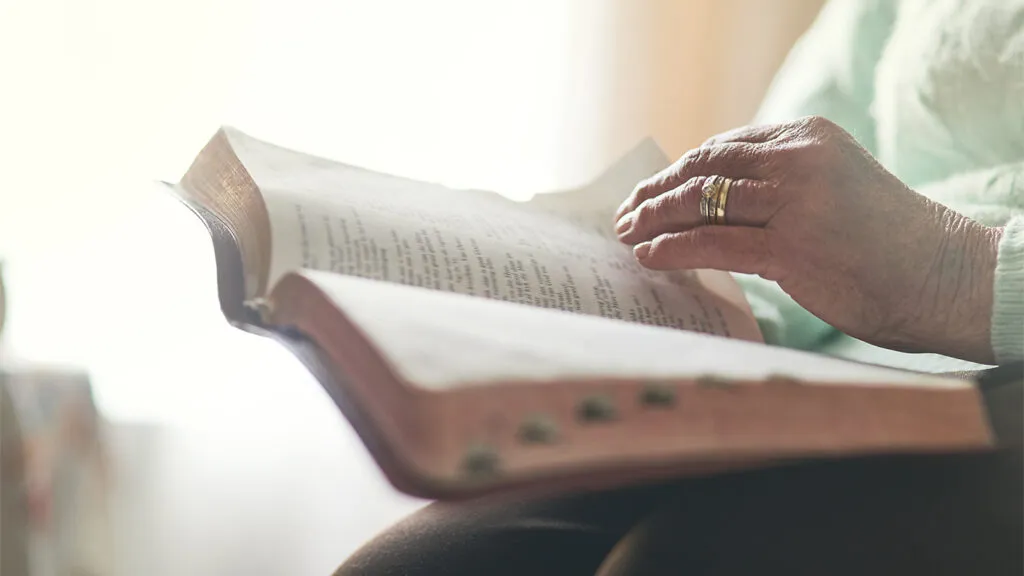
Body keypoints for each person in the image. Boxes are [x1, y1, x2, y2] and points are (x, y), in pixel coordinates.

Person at [335, 1, 1023, 573]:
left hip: (997, 366)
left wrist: (961, 273)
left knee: (678, 562)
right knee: (419, 566)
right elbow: (805, 173)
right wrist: (694, 305)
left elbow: (915, 255)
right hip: (846, 366)